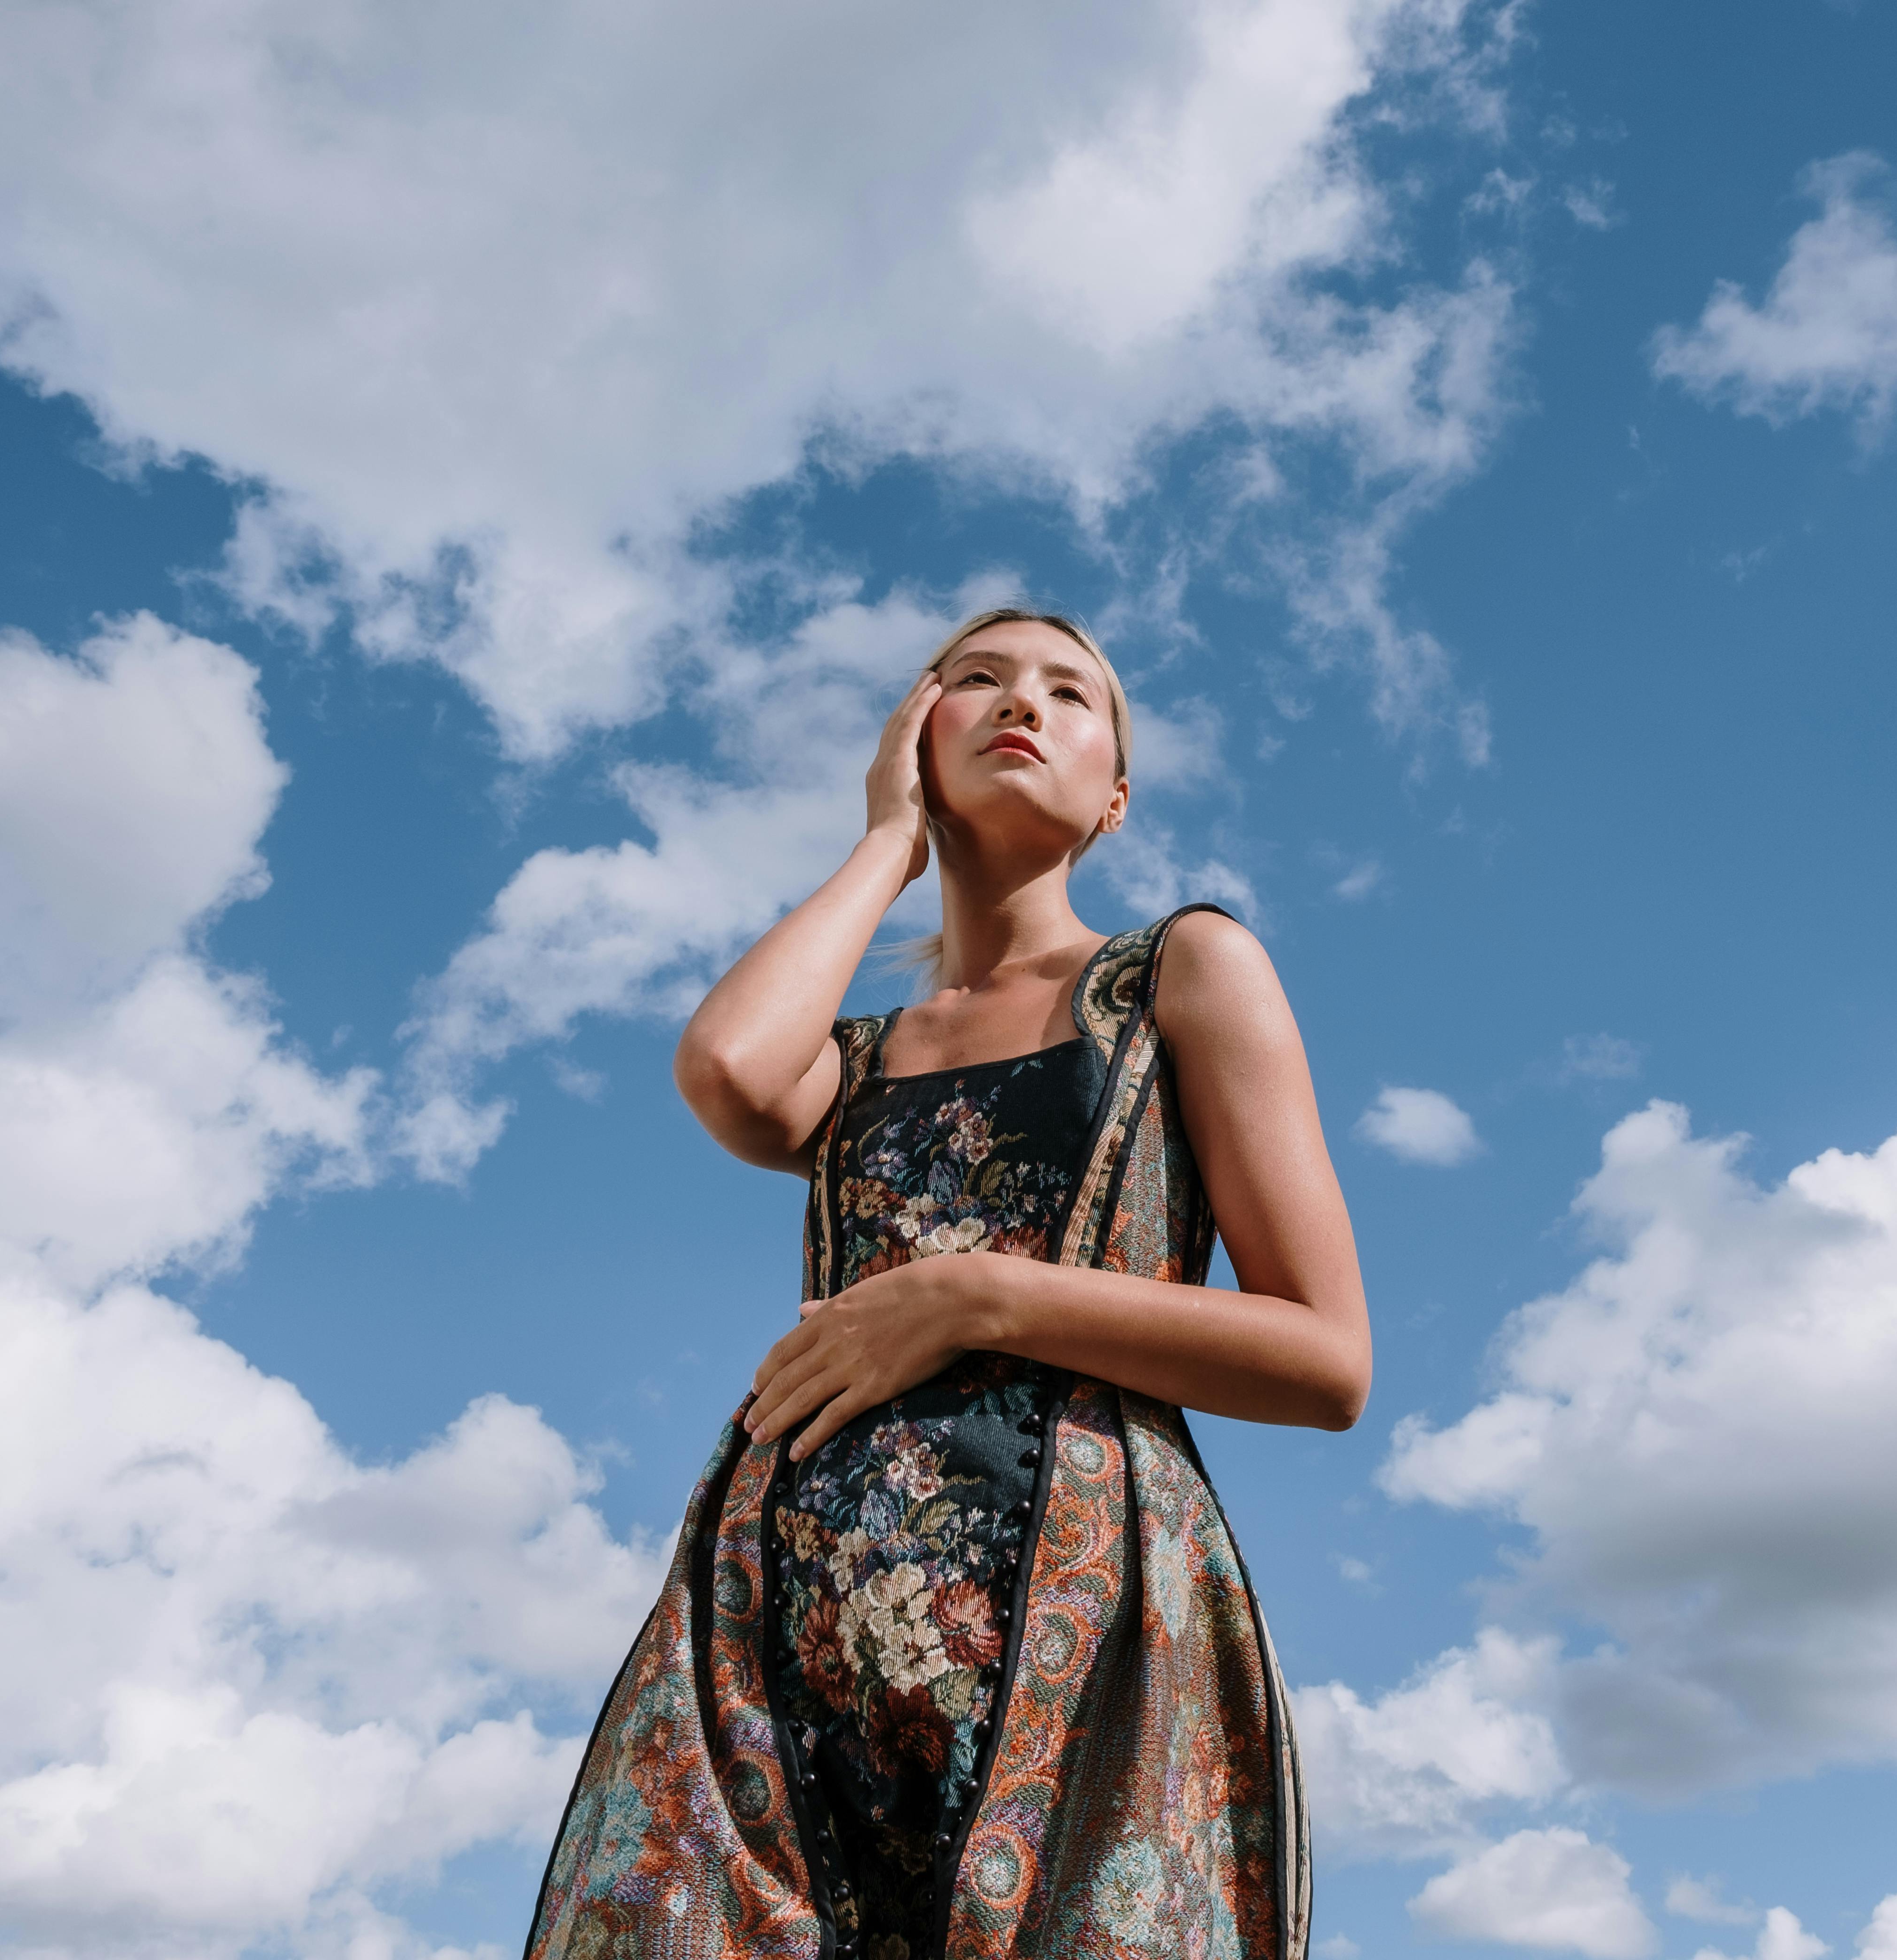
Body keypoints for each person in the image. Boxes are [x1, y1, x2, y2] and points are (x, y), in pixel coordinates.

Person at [525, 608, 1370, 1960]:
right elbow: (730, 1072)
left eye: (1068, 695)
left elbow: (1327, 1359)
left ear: (1115, 797)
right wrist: (886, 844)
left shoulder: (1180, 973)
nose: (1019, 704)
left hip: (1081, 1629)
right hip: (779, 1621)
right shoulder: (853, 1054)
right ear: (914, 737)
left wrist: (982, 1295)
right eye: (973, 681)